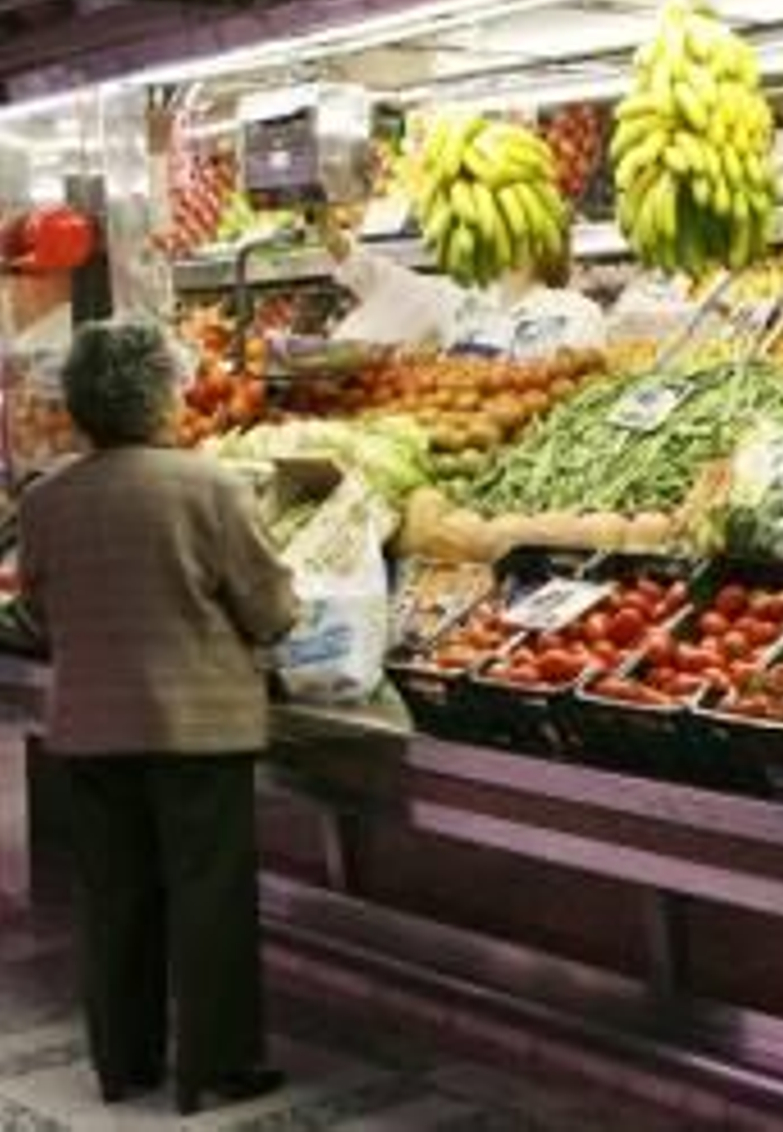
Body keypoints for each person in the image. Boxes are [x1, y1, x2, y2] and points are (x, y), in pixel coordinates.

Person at [15, 322, 299, 1117]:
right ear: (160, 396)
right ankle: (218, 1062)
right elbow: (271, 608)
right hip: (197, 729)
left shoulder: (47, 498)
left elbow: (38, 609)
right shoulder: (210, 488)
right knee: (208, 896)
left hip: (92, 726)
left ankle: (122, 1059)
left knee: (113, 897)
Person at [323, 216, 606, 360]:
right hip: (464, 445)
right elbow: (374, 276)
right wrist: (326, 227)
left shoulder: (577, 311)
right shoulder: (456, 297)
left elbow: (578, 387)